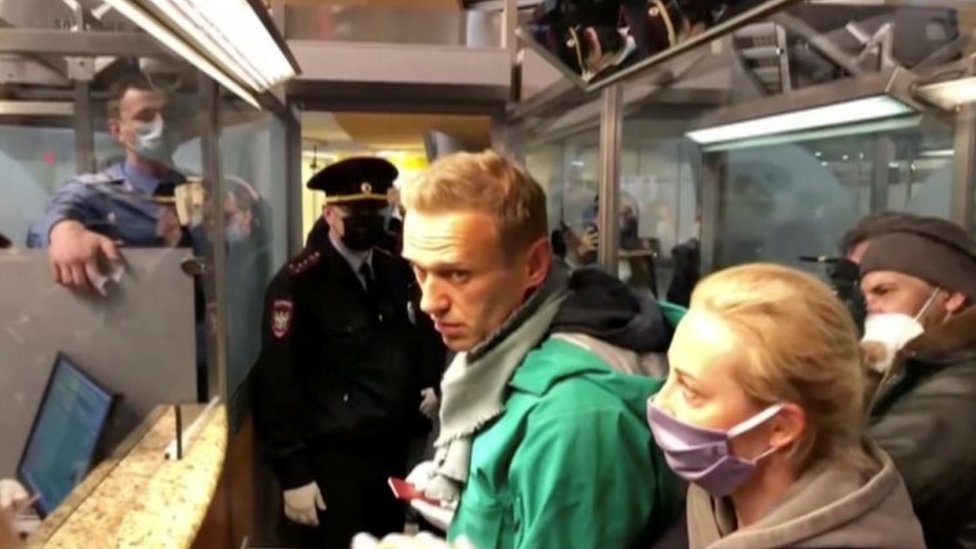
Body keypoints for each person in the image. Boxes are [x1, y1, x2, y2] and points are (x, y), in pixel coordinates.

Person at [400, 151, 682, 549]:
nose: (429, 301)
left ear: (534, 265)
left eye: (457, 274)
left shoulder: (572, 418)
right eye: (419, 270)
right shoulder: (504, 342)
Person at [647, 263, 924, 548]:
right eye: (670, 376)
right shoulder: (715, 498)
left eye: (690, 391)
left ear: (781, 428)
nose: (661, 401)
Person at [252, 157, 446, 549]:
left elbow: (418, 332)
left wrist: (431, 382)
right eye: (354, 211)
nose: (367, 219)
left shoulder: (396, 271)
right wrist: (293, 474)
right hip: (330, 463)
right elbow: (277, 380)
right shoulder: (299, 283)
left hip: (390, 453)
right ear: (329, 213)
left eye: (375, 209)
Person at [857, 217, 976, 549]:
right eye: (866, 297)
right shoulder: (921, 366)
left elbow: (862, 486)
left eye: (884, 291)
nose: (872, 308)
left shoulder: (961, 387)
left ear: (950, 296)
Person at [26, 71, 190, 290]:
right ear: (117, 130)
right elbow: (50, 218)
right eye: (146, 116)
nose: (161, 124)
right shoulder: (95, 191)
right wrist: (65, 231)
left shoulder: (197, 190)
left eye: (167, 114)